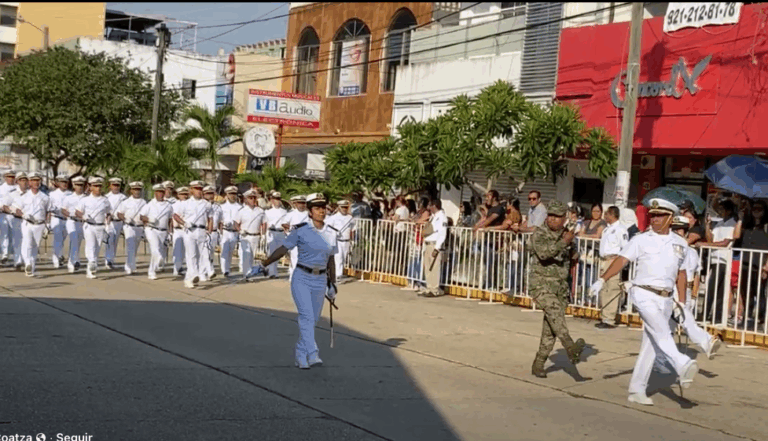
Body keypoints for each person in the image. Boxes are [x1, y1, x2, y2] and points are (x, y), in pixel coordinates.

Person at [590, 198, 699, 406]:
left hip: (666, 298)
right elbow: (622, 260)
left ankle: (636, 390)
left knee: (650, 346)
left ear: (670, 218)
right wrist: (602, 279)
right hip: (643, 294)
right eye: (653, 215)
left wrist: (683, 303)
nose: (655, 219)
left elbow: (682, 274)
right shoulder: (641, 239)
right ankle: (681, 362)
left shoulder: (679, 244)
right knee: (662, 332)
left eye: (659, 216)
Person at [259, 193, 338, 369]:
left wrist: (332, 283)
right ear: (310, 212)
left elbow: (331, 260)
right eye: (317, 208)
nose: (321, 212)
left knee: (314, 318)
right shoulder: (301, 230)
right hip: (302, 277)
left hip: (320, 279)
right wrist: (265, 263)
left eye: (323, 208)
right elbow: (283, 249)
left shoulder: (331, 233)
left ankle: (301, 354)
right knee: (307, 316)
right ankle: (313, 353)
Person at [529, 200, 587, 378]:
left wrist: (572, 248)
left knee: (551, 327)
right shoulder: (540, 233)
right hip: (541, 284)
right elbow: (544, 254)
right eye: (550, 216)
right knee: (555, 313)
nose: (553, 220)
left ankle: (539, 363)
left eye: (557, 217)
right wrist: (564, 242)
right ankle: (570, 347)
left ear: (564, 218)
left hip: (560, 286)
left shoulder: (566, 234)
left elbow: (573, 256)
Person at [670, 215, 722, 359]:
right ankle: (706, 341)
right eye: (674, 230)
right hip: (671, 289)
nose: (677, 233)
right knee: (679, 322)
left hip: (683, 290)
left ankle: (705, 342)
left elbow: (695, 275)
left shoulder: (691, 252)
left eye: (680, 230)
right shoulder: (669, 248)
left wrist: (693, 295)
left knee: (675, 324)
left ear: (686, 232)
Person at [696, 199, 739, 325]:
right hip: (715, 258)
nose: (719, 211)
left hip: (724, 259)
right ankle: (715, 316)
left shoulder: (733, 223)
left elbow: (725, 243)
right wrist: (708, 226)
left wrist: (705, 244)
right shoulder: (719, 223)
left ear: (728, 211)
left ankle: (706, 314)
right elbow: (712, 239)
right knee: (717, 289)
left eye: (721, 209)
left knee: (714, 289)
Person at [173, 181, 213, 288]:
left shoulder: (206, 204)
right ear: (191, 190)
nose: (199, 191)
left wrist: (209, 229)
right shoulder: (185, 203)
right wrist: (184, 223)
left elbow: (210, 217)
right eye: (196, 189)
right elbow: (175, 215)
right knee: (191, 255)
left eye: (200, 189)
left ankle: (188, 279)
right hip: (190, 231)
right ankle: (194, 274)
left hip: (202, 230)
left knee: (200, 255)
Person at [594, 206, 628, 328]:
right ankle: (604, 316)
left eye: (606, 214)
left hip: (613, 260)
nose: (604, 216)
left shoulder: (620, 229)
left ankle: (609, 319)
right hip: (604, 260)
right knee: (604, 288)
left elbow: (625, 247)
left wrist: (619, 262)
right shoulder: (607, 229)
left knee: (612, 289)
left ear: (612, 214)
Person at [76, 177, 112, 279]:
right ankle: (92, 262)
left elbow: (108, 213)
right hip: (89, 225)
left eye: (99, 186)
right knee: (90, 245)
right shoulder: (85, 200)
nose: (98, 188)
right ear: (90, 187)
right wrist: (83, 216)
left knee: (97, 248)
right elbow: (77, 211)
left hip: (100, 226)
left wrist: (108, 224)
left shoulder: (105, 200)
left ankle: (91, 270)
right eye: (95, 186)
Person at [17, 172, 50, 277]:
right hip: (27, 223)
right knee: (27, 243)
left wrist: (47, 225)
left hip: (39, 224)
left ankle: (31, 267)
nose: (36, 182)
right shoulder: (24, 196)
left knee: (35, 245)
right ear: (29, 182)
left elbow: (48, 211)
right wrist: (23, 215)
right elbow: (17, 209)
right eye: (33, 180)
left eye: (37, 180)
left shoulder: (45, 197)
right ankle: (27, 263)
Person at [473, 190, 506, 291]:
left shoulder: (499, 208)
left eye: (488, 196)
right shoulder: (491, 209)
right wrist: (476, 226)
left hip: (495, 240)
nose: (486, 198)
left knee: (492, 263)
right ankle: (486, 283)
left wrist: (479, 226)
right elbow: (484, 219)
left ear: (494, 197)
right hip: (487, 239)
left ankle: (492, 285)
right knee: (486, 263)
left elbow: (489, 220)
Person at [140, 184, 173, 280]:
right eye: (158, 192)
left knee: (158, 250)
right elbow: (141, 216)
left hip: (163, 230)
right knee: (155, 248)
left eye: (162, 192)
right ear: (155, 193)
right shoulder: (150, 204)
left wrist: (170, 232)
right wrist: (149, 219)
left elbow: (170, 220)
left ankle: (151, 271)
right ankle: (159, 260)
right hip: (151, 229)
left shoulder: (168, 205)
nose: (160, 194)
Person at [115, 181, 147, 275]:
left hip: (139, 226)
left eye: (138, 189)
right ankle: (129, 266)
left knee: (135, 246)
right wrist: (125, 218)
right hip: (129, 226)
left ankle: (131, 264)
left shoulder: (144, 202)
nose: (137, 191)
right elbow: (119, 213)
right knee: (130, 245)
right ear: (131, 190)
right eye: (135, 189)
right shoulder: (126, 202)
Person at [235, 189, 266, 277]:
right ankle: (247, 273)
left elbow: (264, 223)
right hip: (245, 235)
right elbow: (236, 223)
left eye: (254, 198)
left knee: (251, 255)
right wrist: (240, 230)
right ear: (246, 199)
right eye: (250, 198)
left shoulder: (260, 211)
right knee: (246, 254)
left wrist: (263, 234)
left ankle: (249, 271)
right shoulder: (242, 211)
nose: (252, 199)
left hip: (256, 236)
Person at [421, 199, 448, 297]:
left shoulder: (442, 217)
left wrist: (437, 248)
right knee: (428, 267)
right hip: (428, 243)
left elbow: (442, 233)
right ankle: (429, 288)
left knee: (434, 267)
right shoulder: (433, 217)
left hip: (434, 244)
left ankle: (434, 289)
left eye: (430, 205)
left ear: (434, 206)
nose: (428, 207)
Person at [62, 176, 87, 273]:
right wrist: (70, 214)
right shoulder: (69, 198)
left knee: (78, 241)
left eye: (81, 185)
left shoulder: (86, 198)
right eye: (77, 185)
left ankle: (74, 260)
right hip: (72, 221)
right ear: (73, 185)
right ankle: (73, 262)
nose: (79, 187)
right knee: (74, 239)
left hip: (82, 222)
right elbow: (63, 210)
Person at [6, 172, 29, 270]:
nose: (23, 182)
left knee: (28, 241)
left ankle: (26, 260)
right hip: (17, 220)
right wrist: (13, 210)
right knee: (17, 240)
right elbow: (4, 205)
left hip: (28, 221)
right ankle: (18, 261)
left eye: (25, 180)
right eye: (21, 180)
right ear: (17, 182)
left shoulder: (31, 194)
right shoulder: (12, 194)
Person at [327, 199, 354, 281]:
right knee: (338, 258)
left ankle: (339, 274)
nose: (344, 209)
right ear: (339, 208)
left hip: (347, 240)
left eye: (346, 207)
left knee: (344, 258)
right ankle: (338, 275)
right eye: (343, 207)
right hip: (337, 240)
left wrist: (352, 240)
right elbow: (328, 228)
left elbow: (352, 229)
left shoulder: (350, 218)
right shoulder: (333, 217)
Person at [48, 174, 71, 268]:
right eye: (62, 182)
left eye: (65, 182)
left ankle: (58, 255)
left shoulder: (70, 194)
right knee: (58, 238)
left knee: (62, 239)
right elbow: (49, 208)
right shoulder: (52, 194)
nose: (64, 184)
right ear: (57, 183)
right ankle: (56, 259)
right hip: (56, 218)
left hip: (67, 219)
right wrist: (47, 222)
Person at [283, 195, 309, 280]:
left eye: (303, 203)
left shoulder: (308, 214)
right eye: (300, 203)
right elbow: (284, 224)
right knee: (295, 258)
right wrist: (290, 228)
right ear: (296, 204)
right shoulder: (291, 214)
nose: (302, 205)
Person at [105, 177, 127, 270]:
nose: (116, 187)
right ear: (110, 186)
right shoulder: (106, 197)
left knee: (115, 241)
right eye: (114, 185)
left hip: (119, 222)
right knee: (109, 240)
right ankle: (108, 260)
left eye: (117, 185)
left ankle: (111, 259)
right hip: (109, 221)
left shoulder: (123, 198)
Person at [264, 191, 288, 279]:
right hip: (272, 232)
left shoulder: (284, 212)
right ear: (272, 200)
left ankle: (273, 270)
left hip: (281, 233)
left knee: (279, 253)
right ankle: (272, 272)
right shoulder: (267, 212)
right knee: (271, 253)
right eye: (275, 199)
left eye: (278, 199)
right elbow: (265, 223)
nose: (277, 201)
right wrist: (263, 234)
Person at [219, 186, 242, 277]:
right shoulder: (222, 206)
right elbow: (219, 220)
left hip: (234, 231)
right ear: (227, 195)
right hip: (225, 231)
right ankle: (224, 270)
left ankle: (227, 268)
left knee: (230, 251)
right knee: (224, 250)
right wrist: (220, 231)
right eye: (230, 194)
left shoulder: (240, 207)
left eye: (234, 194)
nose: (233, 196)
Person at [201, 185, 222, 280]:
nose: (210, 195)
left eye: (212, 193)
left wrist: (220, 233)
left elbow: (220, 220)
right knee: (204, 252)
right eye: (208, 193)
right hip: (204, 231)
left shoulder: (218, 207)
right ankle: (206, 272)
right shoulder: (201, 205)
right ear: (204, 194)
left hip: (214, 232)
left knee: (211, 254)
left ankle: (206, 272)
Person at [0, 170, 18, 264]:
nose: (11, 179)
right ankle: (4, 254)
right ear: (5, 178)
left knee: (13, 235)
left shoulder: (17, 188)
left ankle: (11, 253)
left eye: (12, 177)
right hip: (3, 214)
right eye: (9, 177)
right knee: (4, 234)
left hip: (15, 215)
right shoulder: (1, 188)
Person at [171, 186, 190, 277]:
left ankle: (181, 267)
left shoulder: (190, 204)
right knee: (178, 250)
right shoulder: (175, 205)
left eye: (186, 194)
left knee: (186, 250)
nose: (184, 196)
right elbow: (174, 217)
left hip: (187, 229)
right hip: (178, 229)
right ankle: (176, 268)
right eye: (182, 194)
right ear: (178, 195)